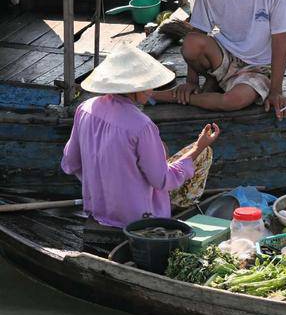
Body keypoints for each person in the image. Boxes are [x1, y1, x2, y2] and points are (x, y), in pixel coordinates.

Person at [61, 44, 220, 228]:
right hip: (139, 219)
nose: (152, 91)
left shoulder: (85, 108)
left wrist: (102, 182)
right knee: (204, 154)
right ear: (133, 89)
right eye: (147, 86)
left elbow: (70, 162)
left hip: (97, 210)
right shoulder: (141, 125)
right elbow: (162, 180)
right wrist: (198, 146)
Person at [153, 0, 286, 120]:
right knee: (191, 43)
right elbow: (198, 32)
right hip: (223, 56)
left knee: (233, 101)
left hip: (259, 67)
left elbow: (280, 41)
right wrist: (191, 81)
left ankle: (172, 97)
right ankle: (208, 82)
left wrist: (276, 91)